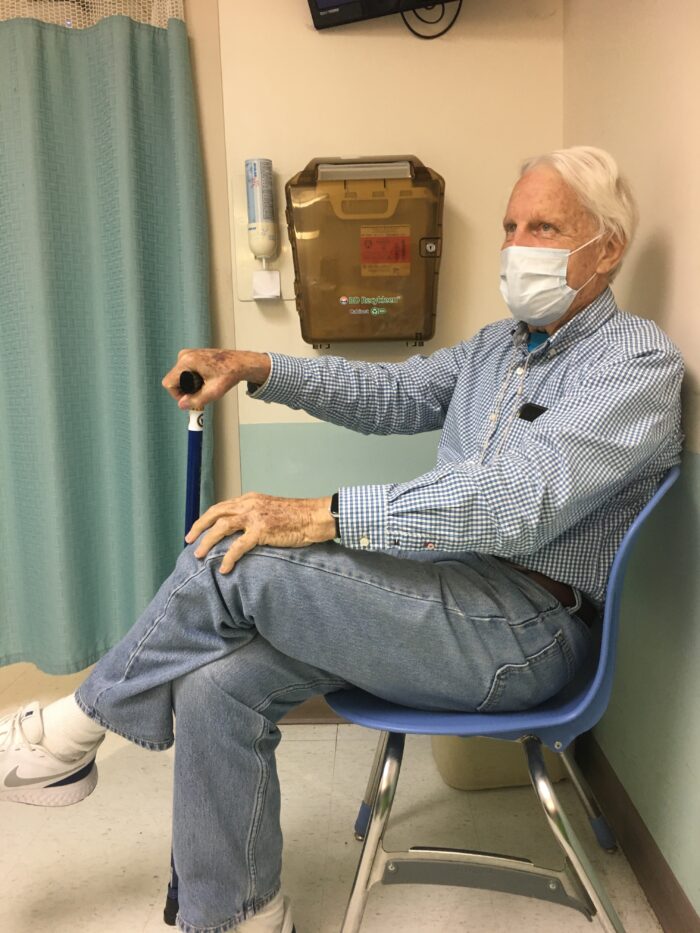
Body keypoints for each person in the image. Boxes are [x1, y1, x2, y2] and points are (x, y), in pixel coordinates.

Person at [0, 147, 683, 933]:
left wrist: (323, 511)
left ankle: (72, 730)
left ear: (607, 246)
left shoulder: (634, 365)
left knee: (240, 554)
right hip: (443, 599)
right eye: (509, 225)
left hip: (526, 633)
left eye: (544, 225)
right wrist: (256, 365)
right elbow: (390, 394)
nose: (516, 244)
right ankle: (238, 914)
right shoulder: (498, 347)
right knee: (217, 682)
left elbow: (516, 502)